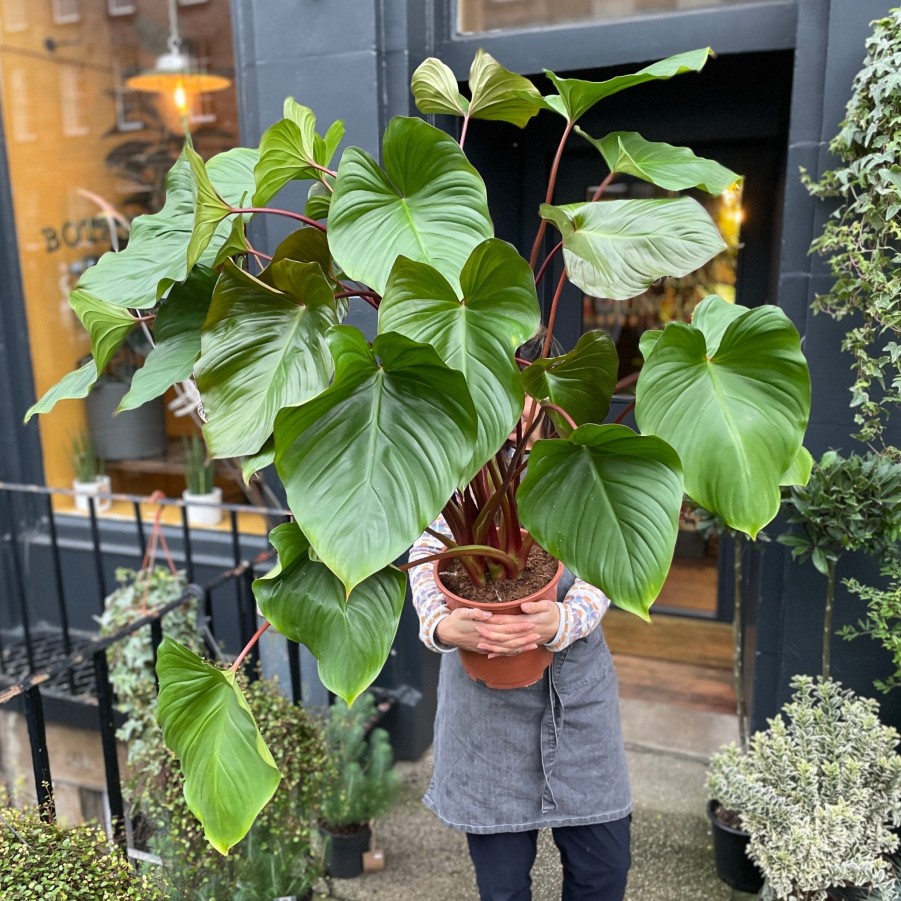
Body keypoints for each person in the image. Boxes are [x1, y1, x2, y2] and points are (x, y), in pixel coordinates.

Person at [408, 383, 632, 901]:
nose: (518, 437)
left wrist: (559, 622)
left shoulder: (579, 457)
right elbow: (428, 542)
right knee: (503, 888)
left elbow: (612, 558)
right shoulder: (465, 459)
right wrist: (441, 627)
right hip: (486, 710)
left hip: (578, 699)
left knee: (603, 874)